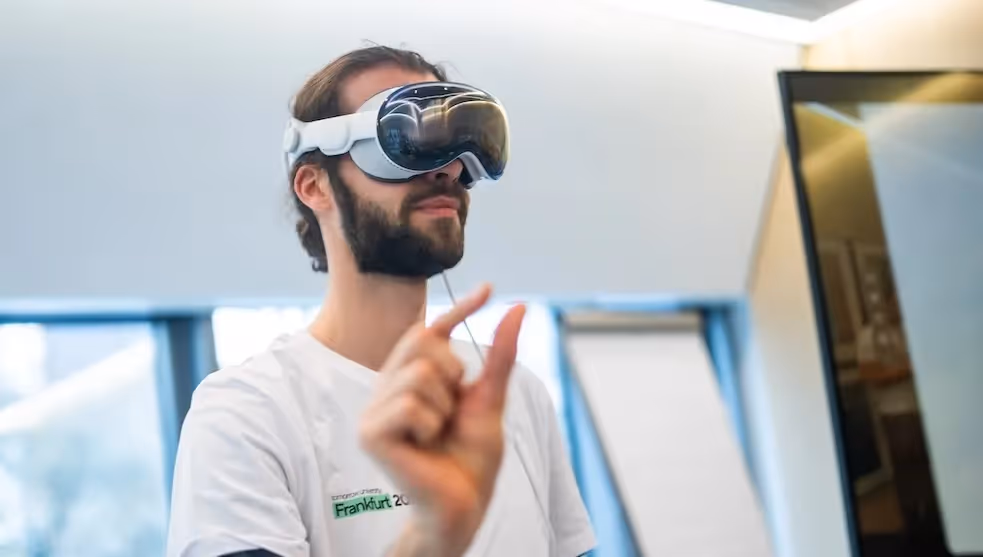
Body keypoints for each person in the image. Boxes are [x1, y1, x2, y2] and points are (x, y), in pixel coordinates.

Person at [166, 46, 595, 557]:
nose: (448, 170)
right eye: (407, 138)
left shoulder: (512, 394)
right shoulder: (246, 414)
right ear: (314, 185)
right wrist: (432, 536)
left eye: (459, 147)